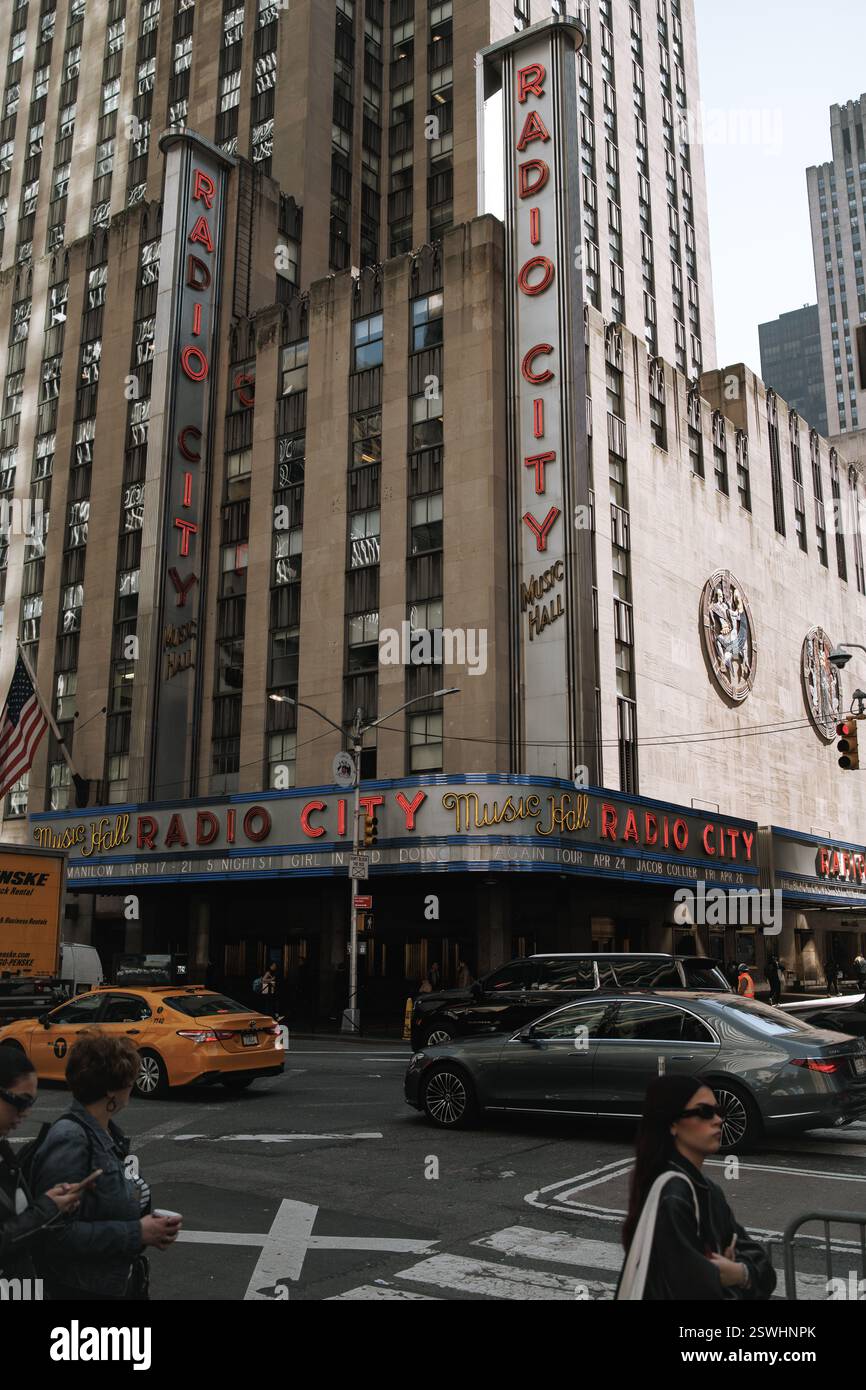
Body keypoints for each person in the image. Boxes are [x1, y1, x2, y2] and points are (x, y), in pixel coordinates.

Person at [32, 1033, 181, 1300]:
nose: (132, 1086)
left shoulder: (107, 1133)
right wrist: (138, 1232)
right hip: (80, 1291)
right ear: (112, 1089)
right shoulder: (71, 1138)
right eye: (130, 1079)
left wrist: (148, 1228)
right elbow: (54, 1233)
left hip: (115, 1283)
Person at [617, 1075, 775, 1301]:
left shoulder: (708, 1190)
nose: (719, 1119)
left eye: (718, 1110)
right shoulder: (673, 1196)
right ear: (672, 1123)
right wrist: (741, 1277)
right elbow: (695, 1290)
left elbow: (766, 1272)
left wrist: (739, 1273)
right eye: (705, 1112)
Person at [0, 1048, 85, 1282]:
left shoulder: (4, 1149)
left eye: (32, 1102)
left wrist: (51, 1204)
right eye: (20, 1101)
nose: (26, 1112)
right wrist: (45, 1210)